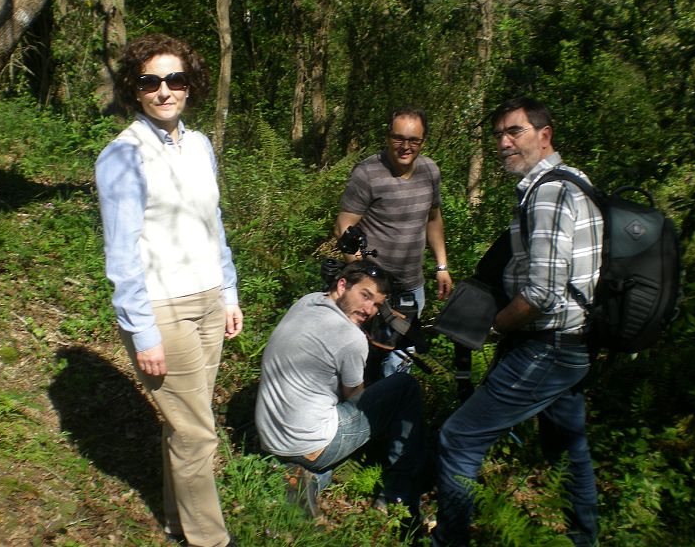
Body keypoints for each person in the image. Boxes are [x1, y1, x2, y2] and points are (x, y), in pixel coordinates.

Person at [433, 97, 603, 547]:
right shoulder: (576, 182)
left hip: (546, 346)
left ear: (545, 134)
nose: (504, 143)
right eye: (499, 135)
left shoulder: (548, 192)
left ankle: (449, 540)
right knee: (570, 446)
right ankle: (583, 538)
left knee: (459, 438)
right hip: (574, 342)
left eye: (516, 132)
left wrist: (492, 330)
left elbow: (542, 294)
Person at [95, 33, 242, 547]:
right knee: (198, 430)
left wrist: (229, 291)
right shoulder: (122, 156)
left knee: (184, 423)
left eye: (174, 80)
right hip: (162, 309)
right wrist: (143, 332)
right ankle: (211, 540)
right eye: (150, 81)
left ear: (189, 86)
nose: (164, 91)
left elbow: (212, 223)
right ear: (134, 89)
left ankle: (177, 520)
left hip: (206, 301)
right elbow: (122, 256)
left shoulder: (199, 145)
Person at [255, 261, 425, 518]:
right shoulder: (351, 339)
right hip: (310, 444)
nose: (369, 310)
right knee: (405, 386)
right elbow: (356, 400)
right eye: (364, 296)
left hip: (270, 437)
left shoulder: (308, 301)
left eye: (377, 304)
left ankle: (301, 476)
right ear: (343, 285)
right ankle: (397, 494)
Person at [334, 106, 453, 375]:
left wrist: (441, 266)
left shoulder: (430, 171)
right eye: (398, 138)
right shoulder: (368, 173)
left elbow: (433, 220)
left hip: (412, 287)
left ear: (423, 141)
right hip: (372, 286)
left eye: (414, 140)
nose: (405, 146)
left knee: (399, 360)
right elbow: (344, 225)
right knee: (357, 357)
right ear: (388, 136)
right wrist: (360, 274)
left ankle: (389, 412)